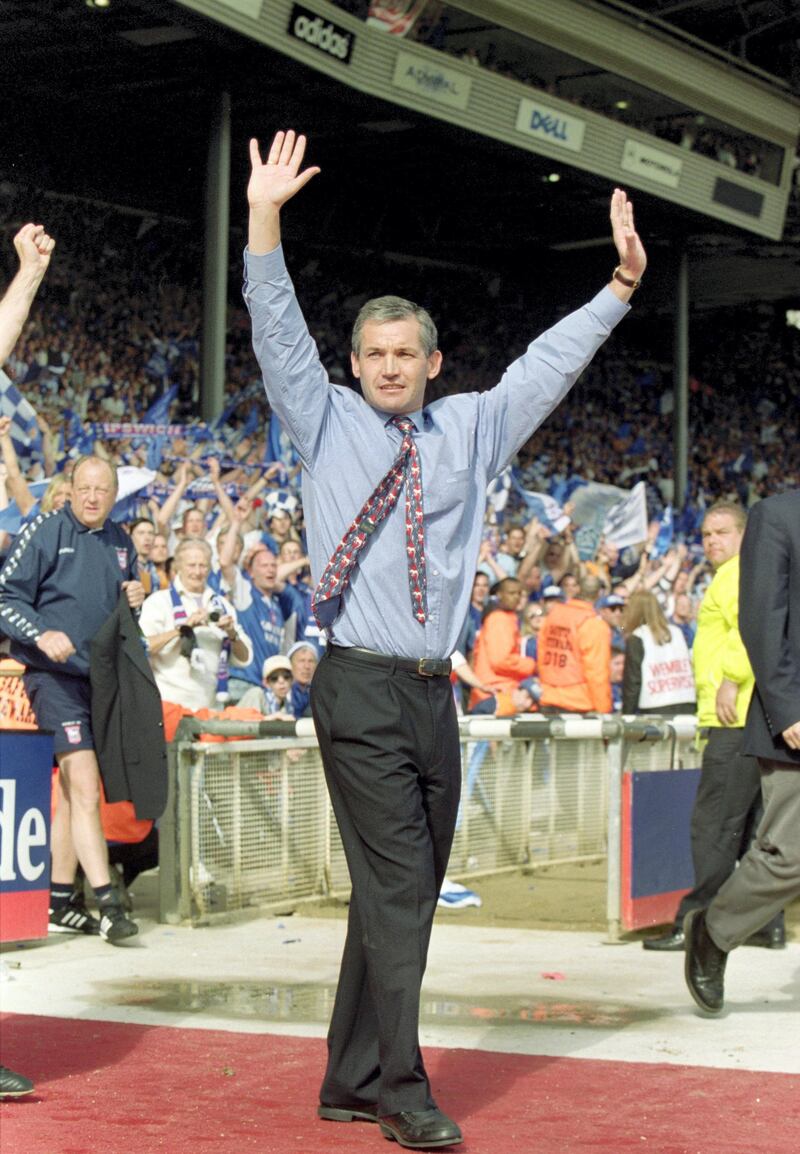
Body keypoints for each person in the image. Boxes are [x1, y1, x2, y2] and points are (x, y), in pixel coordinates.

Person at [244, 128, 645, 1149]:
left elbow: (542, 369)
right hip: (357, 683)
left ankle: (346, 1071)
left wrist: (616, 289)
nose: (386, 366)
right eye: (370, 352)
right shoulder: (322, 420)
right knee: (394, 881)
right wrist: (262, 219)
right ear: (355, 363)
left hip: (433, 689)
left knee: (408, 886)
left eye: (402, 353)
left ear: (431, 361)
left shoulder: (469, 425)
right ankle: (400, 1086)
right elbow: (276, 330)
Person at [0, 456, 143, 943]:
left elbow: (123, 618)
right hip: (53, 678)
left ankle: (60, 900)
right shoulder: (45, 529)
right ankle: (107, 903)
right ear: (71, 489)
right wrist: (41, 633)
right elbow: (6, 599)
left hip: (98, 684)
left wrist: (135, 601)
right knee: (83, 786)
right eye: (83, 488)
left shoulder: (121, 543)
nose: (91, 497)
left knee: (70, 793)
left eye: (101, 489)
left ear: (113, 493)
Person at [643, 502, 784, 951]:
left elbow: (754, 630)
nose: (710, 541)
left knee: (714, 827)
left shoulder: (739, 575)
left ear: (744, 535)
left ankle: (695, 922)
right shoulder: (737, 575)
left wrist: (731, 679)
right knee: (749, 827)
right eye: (705, 534)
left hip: (733, 720)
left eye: (721, 532)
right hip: (750, 721)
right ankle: (764, 923)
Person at [684, 490, 800, 1014]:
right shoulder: (779, 516)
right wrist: (787, 708)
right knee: (789, 855)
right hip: (794, 716)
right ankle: (712, 930)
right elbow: (760, 618)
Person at [138, 538, 252, 710]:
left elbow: (245, 658)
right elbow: (143, 646)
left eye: (203, 565)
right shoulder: (159, 601)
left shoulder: (222, 605)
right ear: (178, 567)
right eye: (191, 565)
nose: (198, 572)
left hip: (211, 707)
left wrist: (232, 633)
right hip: (169, 705)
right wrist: (183, 629)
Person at [537, 574, 612, 714]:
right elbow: (597, 673)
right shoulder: (594, 624)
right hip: (579, 703)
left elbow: (542, 654)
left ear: (577, 589)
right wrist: (603, 710)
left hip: (548, 697)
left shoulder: (554, 615)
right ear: (600, 594)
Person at [621, 591, 695, 716]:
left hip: (654, 705)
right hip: (686, 700)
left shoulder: (638, 637)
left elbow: (633, 682)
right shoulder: (677, 632)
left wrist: (627, 715)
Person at [468, 577, 535, 710]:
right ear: (499, 595)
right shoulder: (499, 620)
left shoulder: (506, 618)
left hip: (497, 692)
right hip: (494, 694)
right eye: (511, 593)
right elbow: (501, 661)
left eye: (519, 593)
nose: (516, 597)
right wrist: (531, 664)